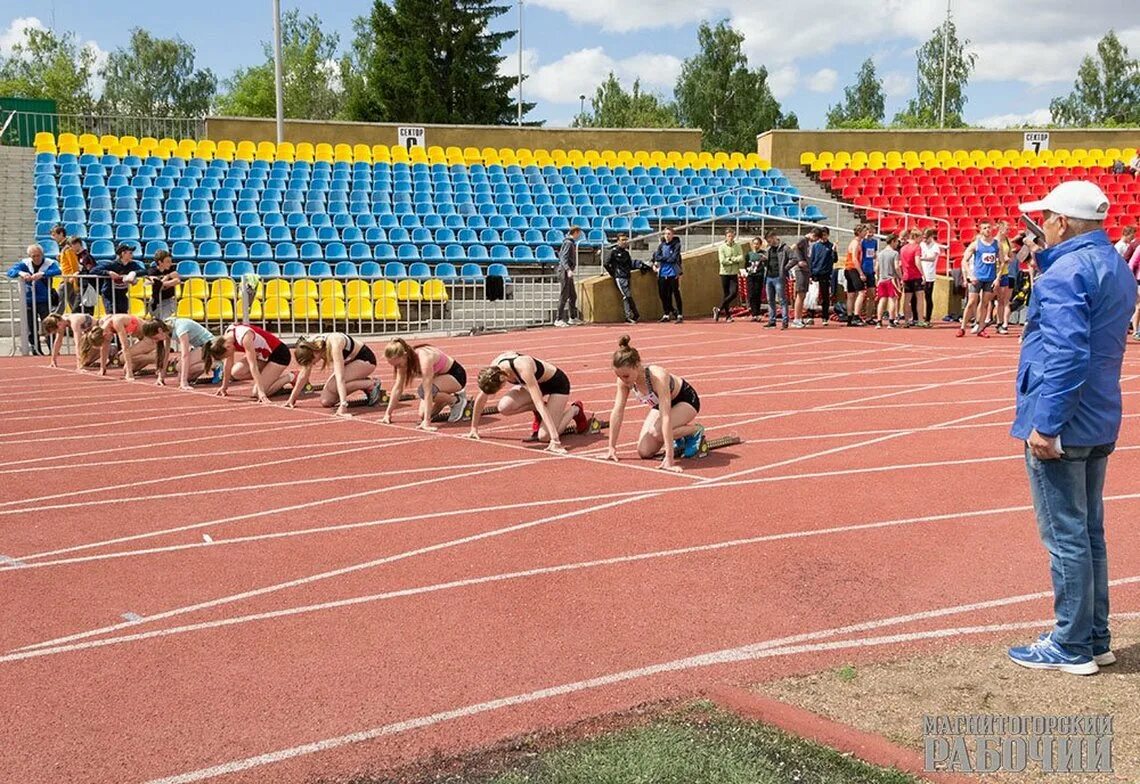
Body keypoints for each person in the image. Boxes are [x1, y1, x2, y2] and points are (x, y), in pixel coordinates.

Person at [1007, 181, 1137, 675]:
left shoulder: (1066, 273)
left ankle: (1071, 643)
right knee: (1089, 532)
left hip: (1065, 419)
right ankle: (1093, 636)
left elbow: (1066, 355)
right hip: (1101, 413)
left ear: (1061, 221)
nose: (1040, 226)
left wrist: (1046, 425)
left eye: (1045, 218)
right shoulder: (1117, 268)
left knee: (1065, 535)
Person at [603, 335, 703, 474]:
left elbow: (666, 416)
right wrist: (611, 448)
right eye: (619, 376)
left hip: (685, 400)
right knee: (644, 451)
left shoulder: (657, 377)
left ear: (637, 365)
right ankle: (678, 436)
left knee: (658, 432)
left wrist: (669, 458)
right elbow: (617, 411)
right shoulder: (624, 382)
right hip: (660, 405)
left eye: (625, 376)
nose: (623, 380)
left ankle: (695, 431)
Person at [468, 352, 587, 453]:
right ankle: (544, 414)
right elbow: (481, 397)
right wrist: (474, 428)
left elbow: (539, 403)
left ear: (503, 379)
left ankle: (575, 410)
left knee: (544, 437)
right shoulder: (493, 371)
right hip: (533, 385)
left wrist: (555, 440)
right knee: (504, 407)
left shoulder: (522, 367)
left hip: (556, 385)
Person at [381, 338, 467, 429]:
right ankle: (445, 399)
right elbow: (398, 388)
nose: (397, 367)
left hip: (455, 376)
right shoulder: (402, 362)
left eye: (398, 364)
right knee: (422, 414)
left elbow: (428, 391)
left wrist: (427, 421)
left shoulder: (424, 358)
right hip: (438, 379)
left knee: (423, 392)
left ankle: (456, 401)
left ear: (405, 356)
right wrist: (387, 414)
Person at [212, 323, 295, 403]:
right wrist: (224, 386)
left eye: (227, 355)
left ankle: (292, 376)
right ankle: (269, 377)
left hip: (279, 355)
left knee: (256, 393)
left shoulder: (245, 337)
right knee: (236, 372)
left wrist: (261, 392)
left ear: (228, 347)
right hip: (263, 357)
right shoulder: (227, 338)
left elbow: (253, 365)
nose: (228, 357)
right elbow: (228, 364)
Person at [6, 243, 60, 355]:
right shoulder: (24, 264)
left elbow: (58, 270)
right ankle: (36, 349)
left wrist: (43, 274)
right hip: (29, 299)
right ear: (30, 256)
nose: (36, 258)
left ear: (42, 254)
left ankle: (53, 349)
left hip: (44, 299)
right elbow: (10, 272)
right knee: (31, 325)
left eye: (38, 255)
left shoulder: (49, 263)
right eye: (33, 256)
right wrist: (21, 273)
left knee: (49, 324)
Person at [141, 317, 217, 390]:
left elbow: (185, 355)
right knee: (180, 377)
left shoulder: (181, 329)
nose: (155, 341)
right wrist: (161, 377)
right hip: (201, 348)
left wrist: (184, 383)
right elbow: (165, 354)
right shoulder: (166, 329)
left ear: (160, 330)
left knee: (179, 367)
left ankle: (217, 365)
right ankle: (211, 364)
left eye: (155, 338)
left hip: (211, 347)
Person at [958, 220, 1004, 338]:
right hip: (977, 278)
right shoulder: (976, 244)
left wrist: (997, 278)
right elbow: (964, 260)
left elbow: (1002, 262)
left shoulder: (997, 244)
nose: (987, 230)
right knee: (972, 302)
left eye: (989, 227)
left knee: (984, 303)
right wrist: (970, 275)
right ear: (980, 230)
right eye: (984, 228)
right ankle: (962, 327)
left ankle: (981, 328)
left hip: (990, 278)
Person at [81, 313, 152, 381]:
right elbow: (104, 348)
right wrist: (102, 368)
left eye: (105, 340)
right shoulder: (103, 328)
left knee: (122, 358)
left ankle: (158, 358)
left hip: (150, 336)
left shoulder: (117, 322)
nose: (108, 341)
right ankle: (155, 358)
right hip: (140, 338)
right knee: (126, 369)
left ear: (105, 335)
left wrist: (129, 374)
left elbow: (125, 347)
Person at [603, 233, 650, 324]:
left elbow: (629, 264)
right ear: (618, 241)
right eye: (622, 240)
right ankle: (633, 314)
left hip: (627, 276)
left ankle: (630, 316)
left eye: (625, 240)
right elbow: (606, 263)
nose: (624, 242)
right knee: (627, 295)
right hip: (620, 277)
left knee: (626, 296)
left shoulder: (626, 253)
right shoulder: (614, 252)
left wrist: (640, 266)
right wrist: (613, 273)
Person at [92, 243, 144, 315]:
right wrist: (108, 272)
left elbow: (144, 271)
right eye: (130, 253)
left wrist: (133, 273)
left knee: (123, 314)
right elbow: (94, 270)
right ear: (123, 254)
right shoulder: (112, 264)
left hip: (122, 294)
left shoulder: (132, 264)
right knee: (112, 315)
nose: (132, 255)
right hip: (109, 294)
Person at [763, 229, 794, 329]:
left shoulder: (785, 248)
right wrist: (763, 261)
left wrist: (786, 268)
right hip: (769, 277)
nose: (769, 243)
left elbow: (794, 258)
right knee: (770, 300)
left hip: (779, 277)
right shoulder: (768, 250)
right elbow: (767, 262)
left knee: (782, 300)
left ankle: (785, 321)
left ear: (774, 238)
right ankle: (772, 320)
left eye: (769, 241)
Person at [651, 227, 684, 323]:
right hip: (662, 272)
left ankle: (679, 314)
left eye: (669, 234)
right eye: (665, 234)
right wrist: (664, 258)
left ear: (672, 235)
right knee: (663, 294)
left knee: (676, 293)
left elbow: (673, 258)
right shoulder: (661, 245)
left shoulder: (676, 245)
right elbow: (656, 256)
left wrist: (663, 258)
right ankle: (666, 314)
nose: (667, 236)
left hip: (673, 273)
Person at [714, 228, 744, 322]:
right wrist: (733, 260)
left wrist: (730, 259)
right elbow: (722, 261)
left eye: (732, 236)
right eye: (729, 236)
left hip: (734, 272)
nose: (730, 238)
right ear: (726, 237)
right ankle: (727, 316)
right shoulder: (722, 247)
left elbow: (741, 258)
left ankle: (718, 309)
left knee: (733, 293)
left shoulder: (737, 246)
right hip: (724, 273)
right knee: (726, 294)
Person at [808, 227, 837, 324]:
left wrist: (834, 251)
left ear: (828, 235)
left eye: (825, 235)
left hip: (825, 274)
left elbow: (835, 260)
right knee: (813, 295)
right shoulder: (815, 246)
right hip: (815, 273)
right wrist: (810, 273)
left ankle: (825, 317)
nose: (823, 237)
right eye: (821, 235)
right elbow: (812, 259)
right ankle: (810, 316)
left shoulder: (830, 246)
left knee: (825, 296)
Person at [51, 225, 82, 314]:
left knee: (59, 300)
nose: (53, 238)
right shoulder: (65, 248)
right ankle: (80, 321)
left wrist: (73, 277)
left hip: (68, 278)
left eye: (54, 235)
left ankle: (54, 322)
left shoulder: (68, 247)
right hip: (68, 278)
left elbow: (74, 264)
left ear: (61, 234)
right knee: (73, 303)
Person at [873, 234, 902, 328]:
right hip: (891, 279)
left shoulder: (880, 253)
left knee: (882, 300)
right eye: (896, 241)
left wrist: (878, 277)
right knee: (892, 300)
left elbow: (876, 267)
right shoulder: (895, 253)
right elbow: (897, 267)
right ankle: (891, 321)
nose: (897, 244)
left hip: (882, 279)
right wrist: (901, 277)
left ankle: (879, 321)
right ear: (893, 241)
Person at [555, 226, 581, 327]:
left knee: (572, 295)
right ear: (575, 232)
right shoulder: (568, 243)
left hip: (567, 271)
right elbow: (563, 257)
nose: (579, 235)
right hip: (565, 271)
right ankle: (559, 318)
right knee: (564, 295)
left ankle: (572, 317)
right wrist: (568, 270)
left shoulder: (570, 243)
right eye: (579, 233)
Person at [899, 230, 926, 327]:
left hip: (906, 276)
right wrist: (922, 274)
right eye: (920, 238)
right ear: (916, 237)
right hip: (915, 276)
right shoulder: (917, 247)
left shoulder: (903, 248)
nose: (922, 240)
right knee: (920, 298)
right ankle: (920, 320)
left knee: (907, 299)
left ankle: (906, 321)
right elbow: (917, 261)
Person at [843, 225, 868, 326]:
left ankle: (850, 317)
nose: (866, 233)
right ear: (859, 232)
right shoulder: (856, 243)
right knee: (861, 292)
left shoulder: (857, 243)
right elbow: (854, 259)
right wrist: (861, 273)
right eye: (864, 231)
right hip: (853, 269)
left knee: (851, 294)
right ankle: (856, 316)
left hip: (849, 269)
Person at [145, 250, 180, 320]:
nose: (170, 264)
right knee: (157, 321)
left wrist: (162, 283)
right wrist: (167, 277)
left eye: (170, 261)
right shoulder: (152, 270)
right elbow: (156, 282)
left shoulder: (171, 269)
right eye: (167, 261)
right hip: (155, 301)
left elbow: (177, 280)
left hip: (168, 300)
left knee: (165, 320)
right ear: (160, 262)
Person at [790, 230, 815, 328]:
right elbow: (794, 247)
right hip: (800, 270)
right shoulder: (803, 240)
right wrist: (799, 260)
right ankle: (796, 319)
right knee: (800, 294)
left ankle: (799, 317)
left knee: (803, 295)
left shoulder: (808, 243)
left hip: (806, 270)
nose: (815, 241)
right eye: (815, 238)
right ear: (813, 234)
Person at [918, 229, 941, 324]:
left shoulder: (935, 246)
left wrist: (921, 258)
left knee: (928, 296)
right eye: (923, 237)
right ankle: (916, 317)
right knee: (917, 297)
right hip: (920, 274)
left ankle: (928, 318)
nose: (924, 240)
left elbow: (933, 258)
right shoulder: (921, 244)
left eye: (926, 238)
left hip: (929, 275)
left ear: (931, 237)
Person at [744, 236, 767, 322]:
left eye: (757, 244)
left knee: (757, 294)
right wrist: (746, 270)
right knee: (751, 294)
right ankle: (754, 313)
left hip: (759, 275)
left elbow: (766, 263)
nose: (755, 245)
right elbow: (746, 265)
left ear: (760, 245)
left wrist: (764, 260)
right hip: (750, 276)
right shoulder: (749, 254)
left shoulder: (763, 253)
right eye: (754, 243)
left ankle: (757, 313)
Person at [860, 226, 879, 319]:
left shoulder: (874, 242)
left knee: (872, 294)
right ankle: (858, 315)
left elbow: (874, 255)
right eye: (869, 232)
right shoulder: (862, 242)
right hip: (862, 269)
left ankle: (869, 317)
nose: (870, 234)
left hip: (871, 271)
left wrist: (876, 266)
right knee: (860, 294)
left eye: (872, 232)